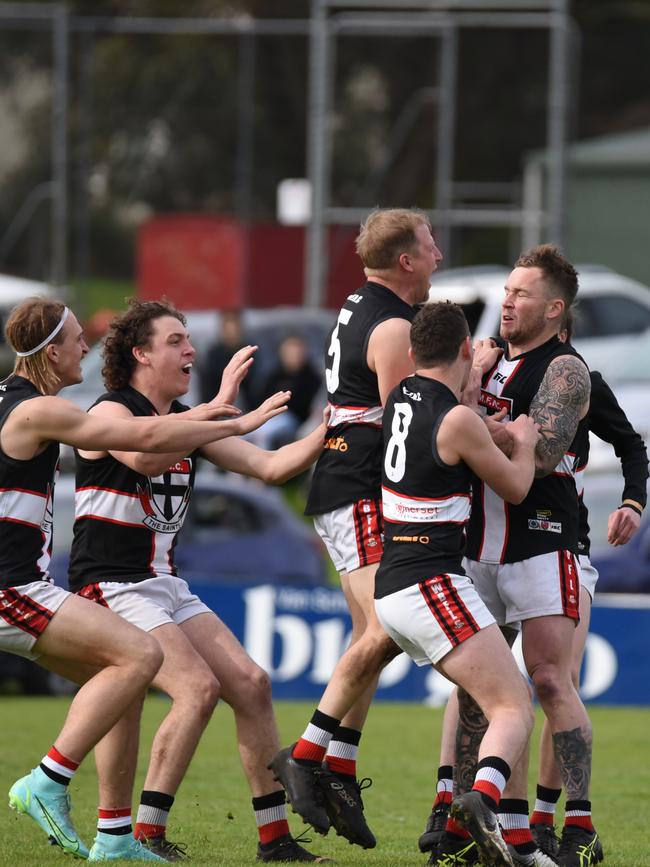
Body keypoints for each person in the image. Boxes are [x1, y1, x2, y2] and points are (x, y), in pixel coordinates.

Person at [1, 297, 287, 862]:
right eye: (77, 338)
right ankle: (46, 781)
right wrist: (226, 409)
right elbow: (147, 443)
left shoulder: (19, 404)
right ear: (50, 350)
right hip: (13, 590)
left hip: (30, 585)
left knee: (121, 680)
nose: (86, 346)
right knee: (138, 657)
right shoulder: (36, 410)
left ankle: (115, 839)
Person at [67, 299, 332, 863]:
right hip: (111, 585)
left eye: (189, 339)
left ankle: (274, 839)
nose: (190, 349)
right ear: (140, 354)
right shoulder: (108, 411)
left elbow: (271, 467)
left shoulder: (189, 421)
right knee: (198, 689)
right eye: (175, 341)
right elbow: (144, 457)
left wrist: (339, 426)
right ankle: (145, 834)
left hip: (162, 581)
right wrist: (218, 411)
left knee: (252, 684)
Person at [268, 208, 443, 848]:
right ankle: (310, 757)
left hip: (341, 484)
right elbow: (409, 420)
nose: (439, 256)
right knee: (385, 629)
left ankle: (337, 767)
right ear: (405, 261)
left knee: (370, 635)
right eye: (430, 246)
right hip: (362, 486)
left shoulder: (355, 305)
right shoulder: (394, 324)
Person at [432, 245, 601, 867]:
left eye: (521, 293)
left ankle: (576, 824)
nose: (506, 301)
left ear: (554, 309)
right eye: (506, 290)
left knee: (552, 680)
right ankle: (465, 820)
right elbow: (447, 421)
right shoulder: (486, 361)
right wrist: (474, 395)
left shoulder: (566, 371)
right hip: (478, 542)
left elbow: (544, 451)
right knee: (478, 690)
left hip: (542, 540)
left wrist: (467, 412)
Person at [374, 301, 541, 866]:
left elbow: (451, 424)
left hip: (394, 585)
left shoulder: (400, 395)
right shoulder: (460, 420)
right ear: (467, 350)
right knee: (514, 705)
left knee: (480, 695)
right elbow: (516, 486)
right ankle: (479, 803)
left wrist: (472, 393)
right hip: (431, 582)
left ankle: (459, 820)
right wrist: (526, 436)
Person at [529, 311, 648, 860]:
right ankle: (452, 812)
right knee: (484, 690)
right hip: (493, 549)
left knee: (560, 684)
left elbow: (631, 445)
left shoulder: (580, 379)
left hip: (564, 546)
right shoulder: (490, 372)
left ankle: (550, 820)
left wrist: (632, 501)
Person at [254, 333, 323, 450]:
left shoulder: (311, 377)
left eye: (296, 352)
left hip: (293, 419)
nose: (293, 356)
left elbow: (306, 405)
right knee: (246, 432)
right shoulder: (274, 375)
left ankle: (258, 466)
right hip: (269, 416)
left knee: (263, 434)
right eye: (289, 352)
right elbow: (260, 397)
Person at [199, 308, 253, 408]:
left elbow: (253, 382)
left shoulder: (249, 350)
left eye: (234, 327)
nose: (231, 331)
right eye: (228, 327)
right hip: (217, 402)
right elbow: (209, 382)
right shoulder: (214, 353)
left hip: (246, 404)